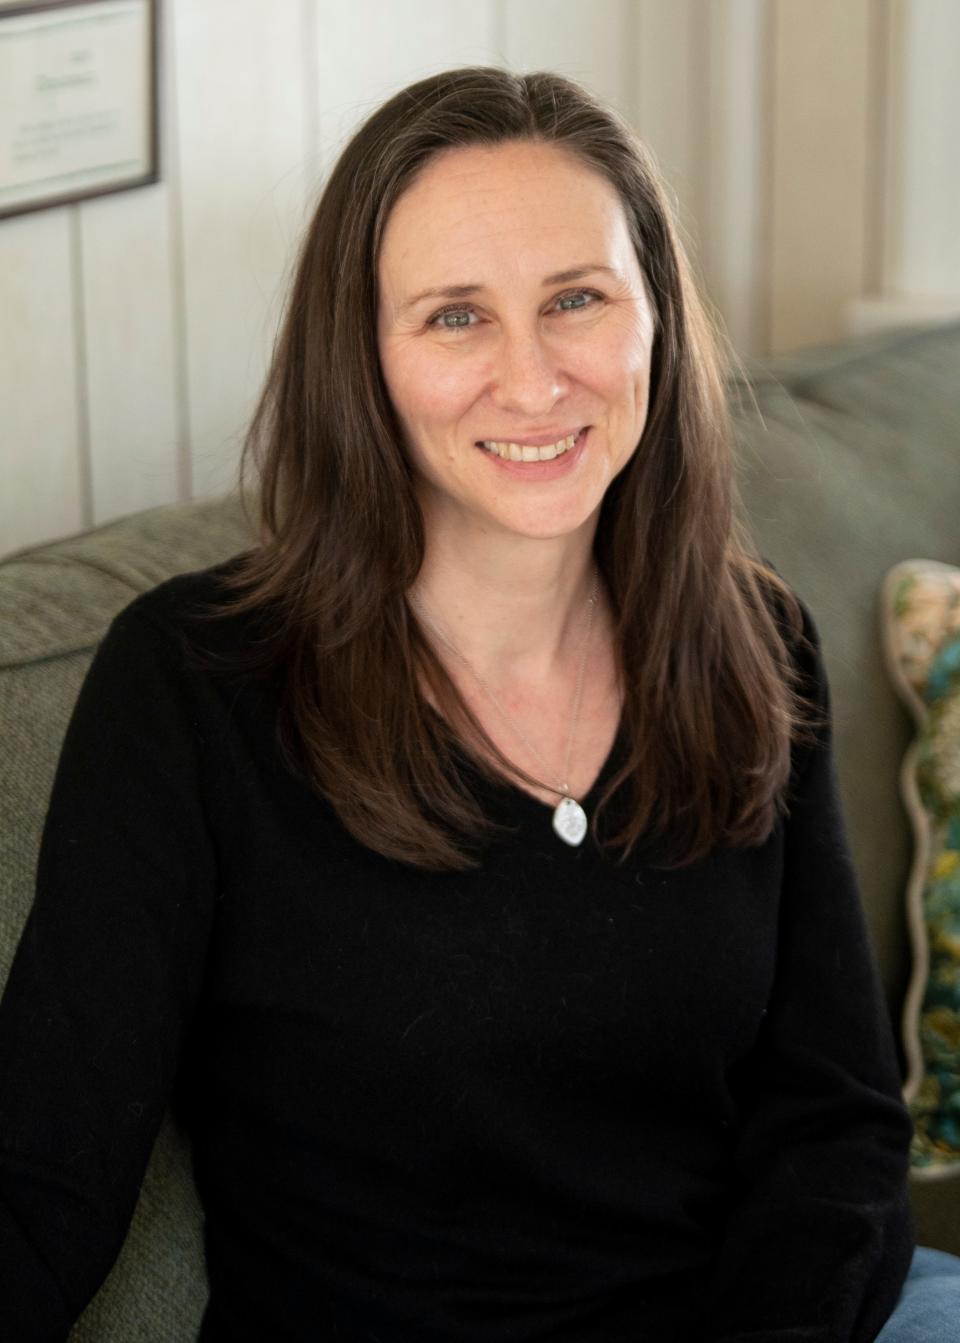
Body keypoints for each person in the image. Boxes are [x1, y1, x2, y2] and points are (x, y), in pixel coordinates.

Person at [0, 64, 955, 1342]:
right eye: (455, 317)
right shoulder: (193, 688)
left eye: (577, 299)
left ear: (656, 320)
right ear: (365, 359)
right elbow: (43, 1172)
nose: (533, 376)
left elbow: (833, 1114)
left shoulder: (747, 637)